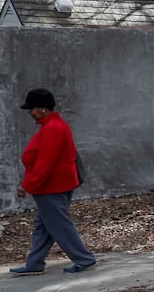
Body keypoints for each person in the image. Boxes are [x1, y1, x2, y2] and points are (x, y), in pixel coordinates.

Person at [10, 88, 97, 275]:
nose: (29, 113)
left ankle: (84, 259)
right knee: (43, 226)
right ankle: (34, 263)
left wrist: (27, 184)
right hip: (55, 185)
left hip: (50, 187)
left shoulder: (52, 129)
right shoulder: (54, 126)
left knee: (58, 225)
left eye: (31, 109)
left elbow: (45, 163)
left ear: (42, 109)